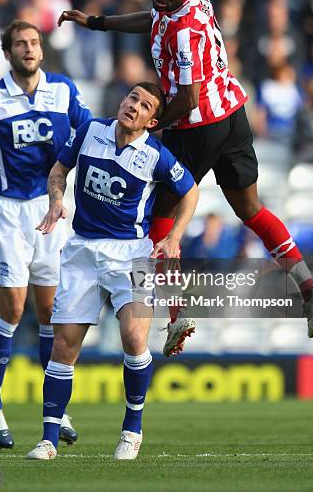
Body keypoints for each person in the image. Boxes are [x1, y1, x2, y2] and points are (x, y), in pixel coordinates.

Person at [57, 0, 313, 356]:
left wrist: (154, 125)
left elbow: (187, 98)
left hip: (199, 125)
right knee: (251, 210)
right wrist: (99, 23)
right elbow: (151, 19)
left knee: (160, 220)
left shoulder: (185, 32)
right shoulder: (190, 0)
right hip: (232, 113)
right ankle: (310, 289)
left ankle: (177, 314)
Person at [26, 81, 198, 460]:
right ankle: (49, 440)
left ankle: (132, 431)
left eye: (145, 105)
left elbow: (191, 192)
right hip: (82, 251)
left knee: (135, 338)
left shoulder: (156, 156)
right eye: (132, 97)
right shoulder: (90, 131)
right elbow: (59, 170)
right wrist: (56, 202)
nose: (134, 106)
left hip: (132, 255)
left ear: (152, 121)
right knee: (63, 346)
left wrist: (174, 237)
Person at [0, 20, 92, 450]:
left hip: (50, 210)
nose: (29, 49)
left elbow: (89, 132)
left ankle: (54, 410)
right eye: (21, 44)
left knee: (50, 314)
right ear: (7, 53)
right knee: (14, 307)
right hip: (7, 211)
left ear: (42, 51)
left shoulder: (63, 90)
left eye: (35, 43)